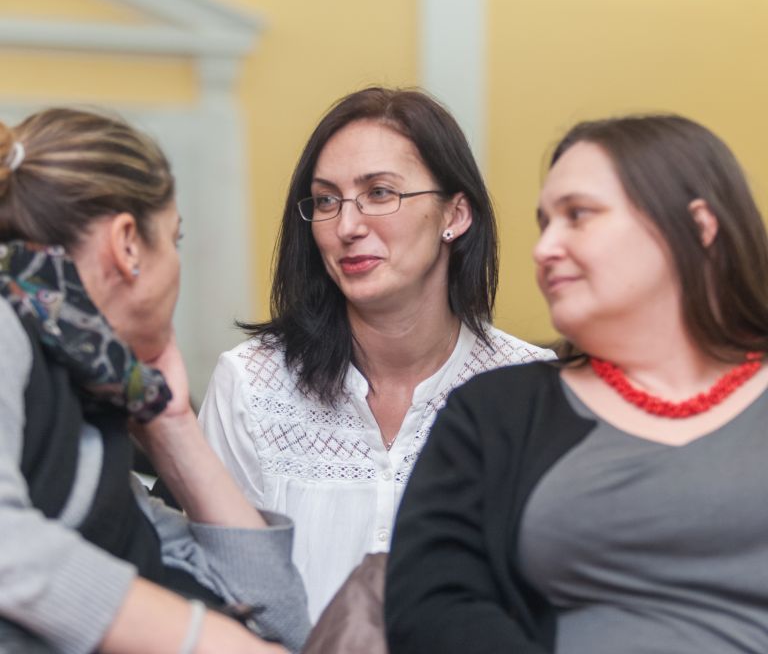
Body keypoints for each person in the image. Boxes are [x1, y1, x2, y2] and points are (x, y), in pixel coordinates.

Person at [385, 113, 768, 654]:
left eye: (578, 215)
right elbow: (432, 607)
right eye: (545, 224)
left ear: (699, 226)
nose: (544, 249)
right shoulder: (498, 411)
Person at [199, 86, 553, 620]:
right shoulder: (252, 385)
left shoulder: (530, 390)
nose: (347, 227)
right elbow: (216, 594)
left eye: (380, 193)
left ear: (455, 214)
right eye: (326, 200)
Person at [0, 108, 310, 654]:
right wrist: (203, 639)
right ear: (127, 244)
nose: (176, 263)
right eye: (174, 237)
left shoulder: (90, 424)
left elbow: (279, 621)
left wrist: (173, 424)